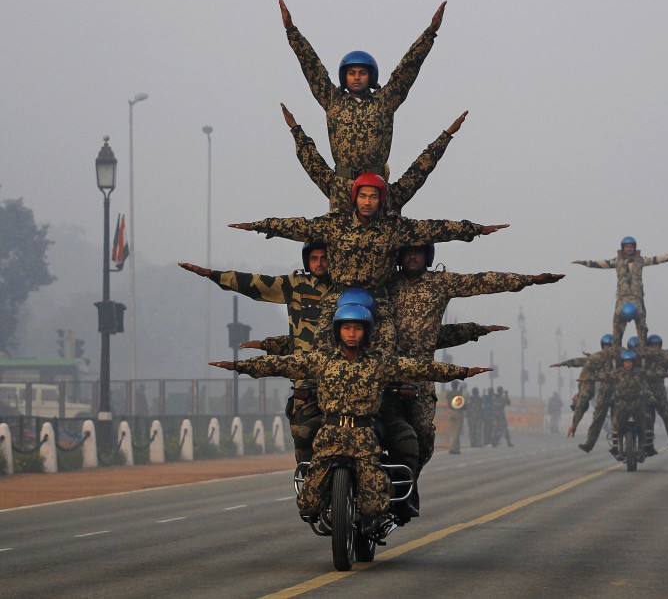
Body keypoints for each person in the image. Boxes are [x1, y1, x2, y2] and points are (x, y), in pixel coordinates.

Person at [210, 303, 490, 523]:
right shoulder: (321, 361)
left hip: (365, 437)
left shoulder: (380, 362)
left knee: (374, 507)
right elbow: (282, 364)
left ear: (366, 331)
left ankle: (388, 505)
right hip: (330, 435)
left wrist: (463, 372)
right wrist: (238, 366)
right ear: (338, 331)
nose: (352, 333)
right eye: (346, 328)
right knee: (308, 505)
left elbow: (420, 368)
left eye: (357, 328)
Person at [229, 173, 508, 352]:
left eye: (373, 196)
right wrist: (259, 226)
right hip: (339, 294)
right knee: (321, 343)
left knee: (388, 342)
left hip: (378, 297)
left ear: (380, 200)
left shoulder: (394, 228)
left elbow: (435, 229)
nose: (367, 201)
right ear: (355, 199)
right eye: (362, 196)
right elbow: (298, 227)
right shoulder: (335, 226)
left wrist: (474, 230)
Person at [389, 242, 562, 474]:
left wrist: (528, 280)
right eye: (407, 252)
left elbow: (482, 281)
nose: (412, 257)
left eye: (417, 252)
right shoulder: (386, 284)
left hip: (421, 374)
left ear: (427, 256)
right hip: (382, 371)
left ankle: (408, 483)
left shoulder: (440, 283)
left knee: (423, 433)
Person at [178, 242, 330, 463]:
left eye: (324, 257)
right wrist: (213, 275)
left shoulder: (346, 289)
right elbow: (256, 283)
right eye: (314, 258)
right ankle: (308, 485)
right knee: (302, 439)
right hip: (305, 381)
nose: (319, 263)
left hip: (342, 377)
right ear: (307, 261)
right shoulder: (295, 285)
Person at [279, 0, 446, 185]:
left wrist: (430, 33)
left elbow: (406, 70)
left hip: (375, 187)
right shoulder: (333, 101)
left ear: (371, 76)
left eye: (362, 73)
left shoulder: (385, 101)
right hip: (343, 186)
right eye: (351, 73)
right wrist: (292, 31)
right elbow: (313, 69)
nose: (356, 77)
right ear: (345, 77)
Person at [281, 103, 467, 215]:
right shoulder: (337, 189)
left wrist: (446, 135)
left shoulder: (391, 197)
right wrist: (295, 130)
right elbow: (313, 163)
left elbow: (420, 168)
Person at [573, 237, 668, 345]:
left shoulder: (640, 260)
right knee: (617, 323)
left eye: (631, 246)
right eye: (627, 247)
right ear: (623, 248)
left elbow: (656, 259)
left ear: (634, 248)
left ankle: (642, 347)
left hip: (637, 297)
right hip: (623, 297)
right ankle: (616, 347)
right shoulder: (617, 261)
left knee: (641, 323)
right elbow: (600, 264)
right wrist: (584, 263)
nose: (629, 249)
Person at [446, 381, 465, 454]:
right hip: (458, 412)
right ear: (457, 386)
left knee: (452, 430)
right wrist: (461, 389)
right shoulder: (459, 393)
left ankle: (456, 448)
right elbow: (461, 402)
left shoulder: (449, 393)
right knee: (457, 431)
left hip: (450, 412)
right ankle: (453, 447)